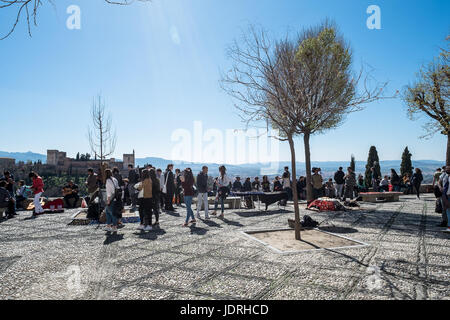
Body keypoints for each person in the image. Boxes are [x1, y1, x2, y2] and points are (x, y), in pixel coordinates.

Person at [104, 169, 120, 234]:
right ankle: (109, 225)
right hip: (116, 197)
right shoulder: (114, 179)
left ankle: (114, 227)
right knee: (108, 211)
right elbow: (118, 188)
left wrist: (108, 199)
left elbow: (108, 191)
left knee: (111, 212)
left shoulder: (108, 180)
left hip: (111, 198)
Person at [440, 166, 450, 233]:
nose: (447, 170)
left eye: (449, 169)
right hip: (446, 195)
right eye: (447, 168)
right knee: (448, 211)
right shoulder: (446, 176)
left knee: (448, 212)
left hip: (448, 196)